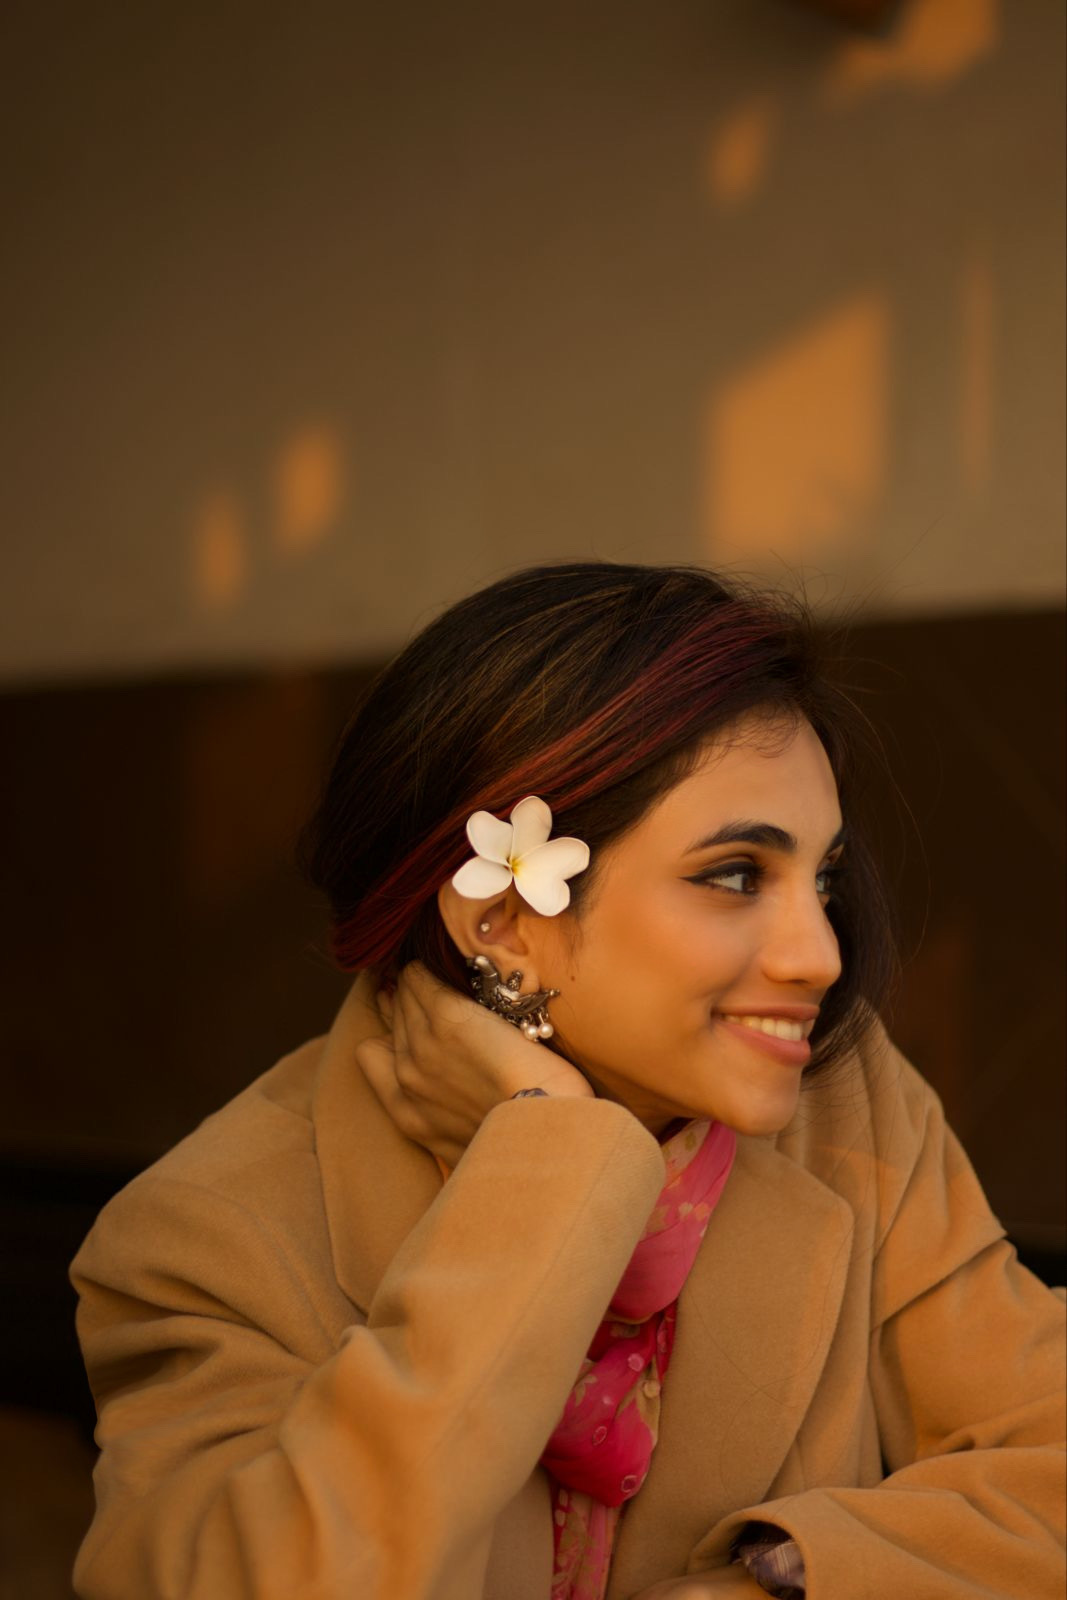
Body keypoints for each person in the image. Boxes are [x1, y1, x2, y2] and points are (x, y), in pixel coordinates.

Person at [70, 562, 1065, 1600]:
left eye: (820, 878)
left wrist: (762, 1586)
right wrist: (548, 1160)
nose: (818, 953)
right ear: (503, 918)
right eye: (735, 875)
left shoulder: (847, 1109)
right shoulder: (207, 1236)